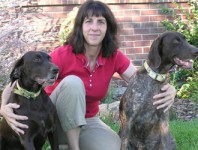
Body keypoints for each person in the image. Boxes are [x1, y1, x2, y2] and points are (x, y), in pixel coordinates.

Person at [0, 1, 176, 150]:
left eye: (100, 22)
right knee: (73, 83)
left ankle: (70, 143)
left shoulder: (113, 56)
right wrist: (3, 108)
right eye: (88, 21)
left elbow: (141, 81)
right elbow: (17, 79)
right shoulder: (63, 54)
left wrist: (170, 89)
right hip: (53, 122)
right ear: (80, 26)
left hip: (88, 121)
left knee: (113, 147)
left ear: (108, 27)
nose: (94, 28)